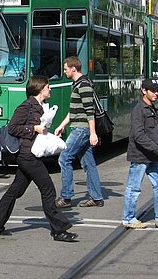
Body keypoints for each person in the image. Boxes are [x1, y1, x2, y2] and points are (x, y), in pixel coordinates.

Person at [0, 75, 78, 242]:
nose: (50, 89)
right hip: (27, 155)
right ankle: (59, 230)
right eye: (48, 87)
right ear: (40, 89)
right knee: (48, 189)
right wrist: (33, 128)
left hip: (31, 153)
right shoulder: (26, 106)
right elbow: (13, 127)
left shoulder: (40, 106)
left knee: (16, 190)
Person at [122, 79, 158, 229]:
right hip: (140, 155)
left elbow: (157, 132)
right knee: (133, 188)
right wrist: (157, 149)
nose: (156, 93)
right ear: (143, 91)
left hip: (152, 155)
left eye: (157, 90)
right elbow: (139, 135)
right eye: (153, 90)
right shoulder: (139, 110)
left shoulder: (152, 108)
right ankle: (128, 218)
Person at [54, 56, 104, 208]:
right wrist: (62, 125)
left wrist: (93, 133)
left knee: (64, 158)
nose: (64, 72)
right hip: (79, 127)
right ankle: (96, 198)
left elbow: (90, 111)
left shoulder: (83, 85)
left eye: (65, 69)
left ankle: (66, 197)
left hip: (82, 129)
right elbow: (74, 111)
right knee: (88, 163)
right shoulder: (76, 84)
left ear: (73, 68)